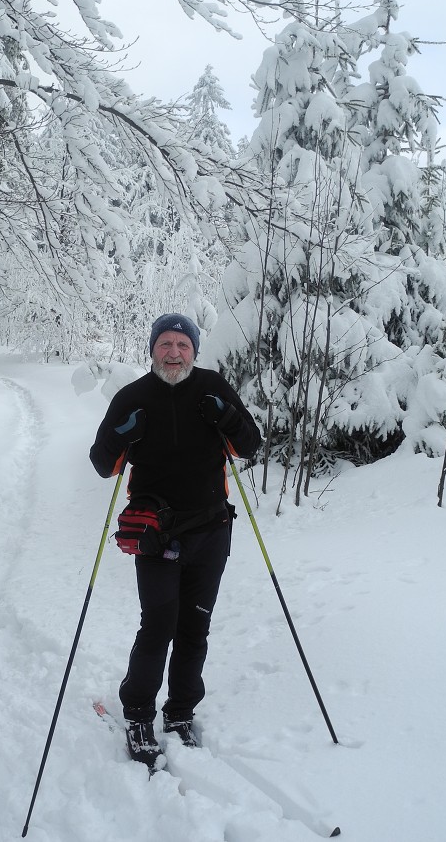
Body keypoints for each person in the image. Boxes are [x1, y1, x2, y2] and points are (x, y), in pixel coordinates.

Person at [89, 313, 261, 770]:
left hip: (210, 531)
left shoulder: (213, 388)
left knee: (194, 629)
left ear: (194, 351)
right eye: (165, 344)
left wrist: (226, 417)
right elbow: (103, 463)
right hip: (156, 535)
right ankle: (139, 714)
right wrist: (122, 433)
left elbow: (250, 445)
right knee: (159, 625)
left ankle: (181, 711)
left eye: (182, 345)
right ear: (152, 349)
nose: (174, 352)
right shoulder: (133, 397)